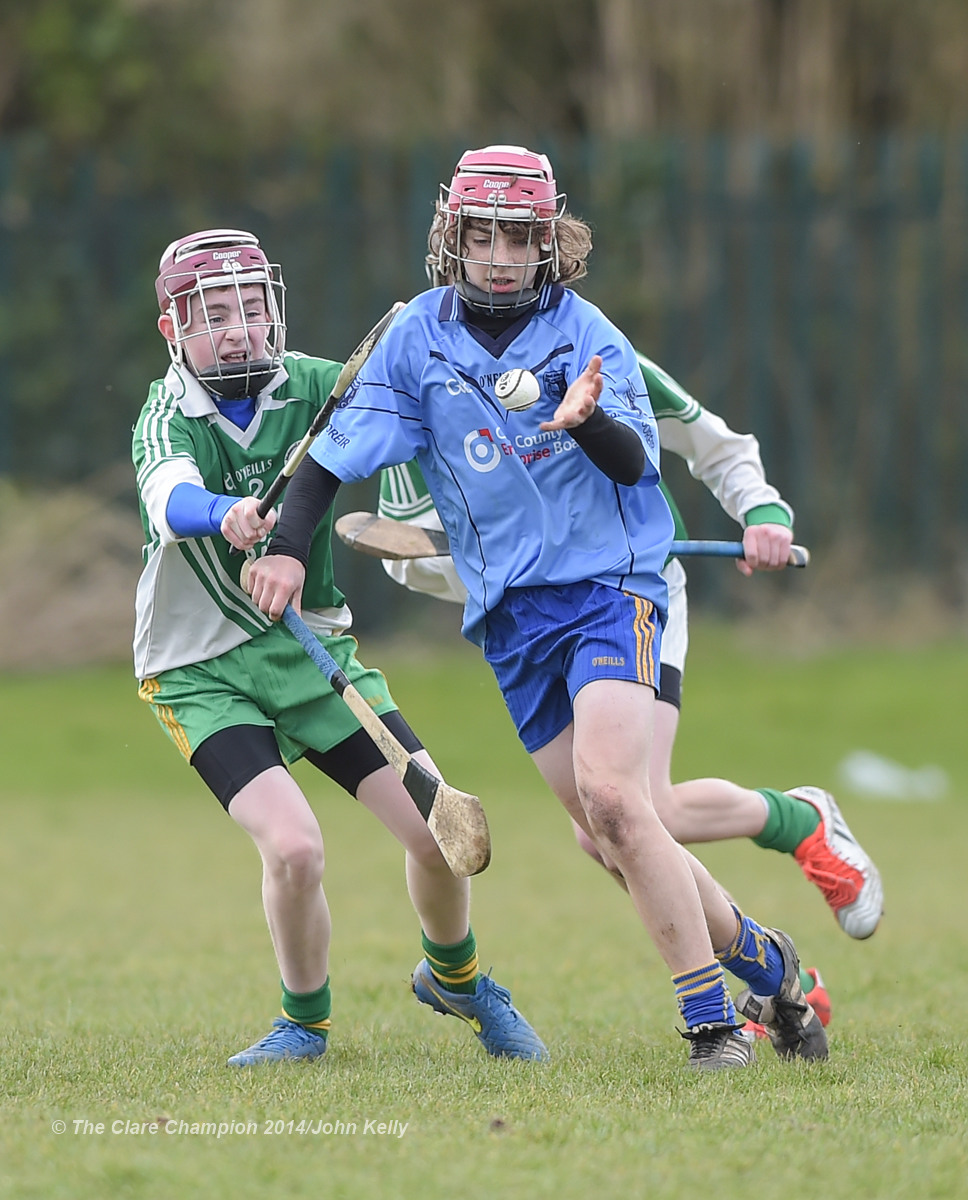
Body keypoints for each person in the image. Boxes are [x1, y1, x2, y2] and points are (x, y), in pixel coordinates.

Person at [247, 145, 830, 1069]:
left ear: (551, 242)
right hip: (512, 617)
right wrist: (284, 548)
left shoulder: (586, 332)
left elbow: (638, 464)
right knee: (608, 832)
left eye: (523, 237)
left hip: (612, 586)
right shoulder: (418, 339)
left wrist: (582, 418)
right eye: (486, 235)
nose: (504, 256)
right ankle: (770, 962)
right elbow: (332, 460)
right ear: (455, 237)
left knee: (615, 795)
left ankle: (712, 1023)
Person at [132, 227, 547, 1068]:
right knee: (294, 847)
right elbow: (166, 493)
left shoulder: (323, 387)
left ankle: (457, 980)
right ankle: (305, 1024)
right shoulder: (166, 412)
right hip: (199, 672)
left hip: (314, 660)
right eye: (215, 315)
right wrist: (223, 513)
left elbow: (413, 432)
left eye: (253, 306)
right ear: (176, 331)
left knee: (436, 833)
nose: (240, 328)